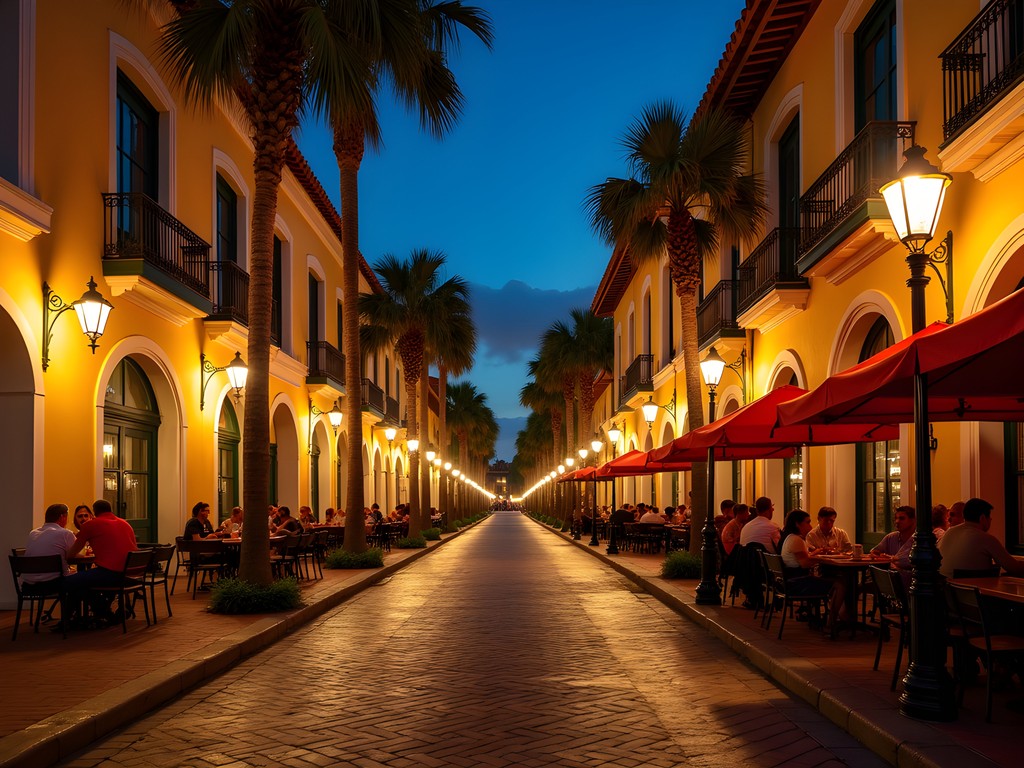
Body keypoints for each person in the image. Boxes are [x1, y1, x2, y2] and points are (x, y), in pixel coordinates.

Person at [65, 499, 138, 624]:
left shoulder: (91, 525)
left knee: (69, 581)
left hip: (112, 573)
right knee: (85, 582)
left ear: (94, 512)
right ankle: (103, 612)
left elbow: (72, 553)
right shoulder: (125, 523)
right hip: (131, 574)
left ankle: (70, 620)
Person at [779, 509, 845, 629]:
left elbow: (804, 558)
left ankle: (821, 617)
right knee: (839, 585)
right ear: (797, 524)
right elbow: (805, 563)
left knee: (828, 580)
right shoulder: (796, 540)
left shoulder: (791, 538)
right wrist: (821, 558)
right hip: (798, 583)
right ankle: (831, 622)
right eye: (807, 522)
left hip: (791, 581)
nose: (810, 525)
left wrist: (816, 554)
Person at [938, 498, 1024, 579]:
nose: (991, 519)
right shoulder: (986, 538)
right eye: (989, 517)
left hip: (948, 591)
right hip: (974, 592)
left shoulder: (949, 533)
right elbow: (1014, 568)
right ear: (982, 518)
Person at [23, 503, 77, 584]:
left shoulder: (33, 533)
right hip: (54, 583)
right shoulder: (65, 534)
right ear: (62, 517)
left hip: (29, 584)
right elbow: (76, 554)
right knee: (83, 579)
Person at [871, 505, 914, 585]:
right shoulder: (891, 537)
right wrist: (883, 558)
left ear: (913, 520)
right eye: (896, 518)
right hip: (891, 578)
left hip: (911, 582)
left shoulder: (917, 539)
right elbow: (874, 552)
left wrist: (894, 561)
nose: (897, 521)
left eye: (901, 518)